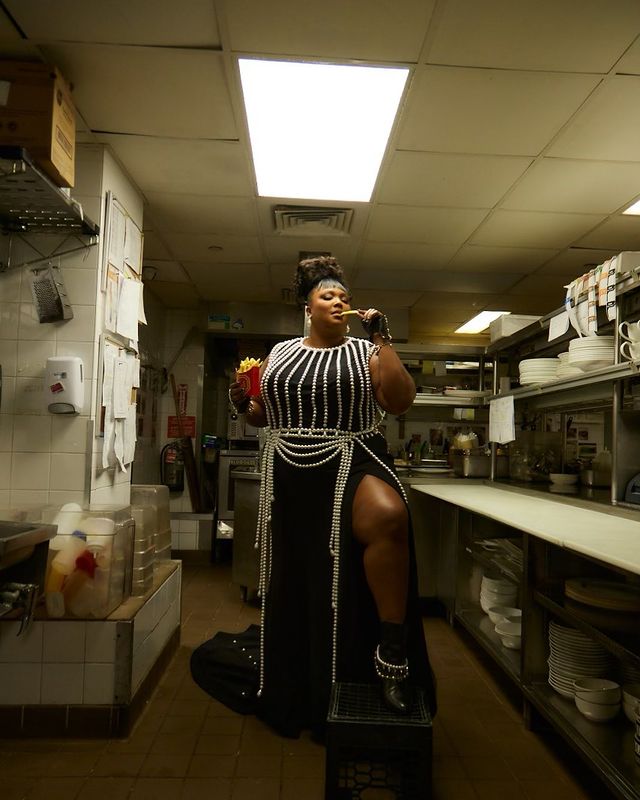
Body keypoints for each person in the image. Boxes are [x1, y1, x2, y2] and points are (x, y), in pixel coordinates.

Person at [227, 256, 435, 739]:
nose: (339, 302)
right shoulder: (277, 354)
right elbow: (263, 416)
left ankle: (391, 655)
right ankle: (297, 679)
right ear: (308, 306)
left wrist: (384, 339)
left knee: (389, 517)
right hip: (293, 471)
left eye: (344, 296)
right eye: (328, 296)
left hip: (353, 454)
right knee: (302, 573)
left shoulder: (367, 351)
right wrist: (244, 404)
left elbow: (400, 401)